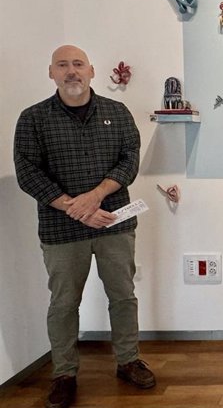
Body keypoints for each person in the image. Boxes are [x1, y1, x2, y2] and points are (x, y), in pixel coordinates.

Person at [14, 45, 156, 408]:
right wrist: (75, 208)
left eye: (78, 64)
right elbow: (28, 174)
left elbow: (129, 161)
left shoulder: (117, 112)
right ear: (51, 73)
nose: (71, 71)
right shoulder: (33, 118)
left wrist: (95, 197)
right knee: (63, 303)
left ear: (92, 70)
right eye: (63, 65)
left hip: (114, 223)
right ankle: (64, 374)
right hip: (61, 231)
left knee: (123, 297)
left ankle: (128, 361)